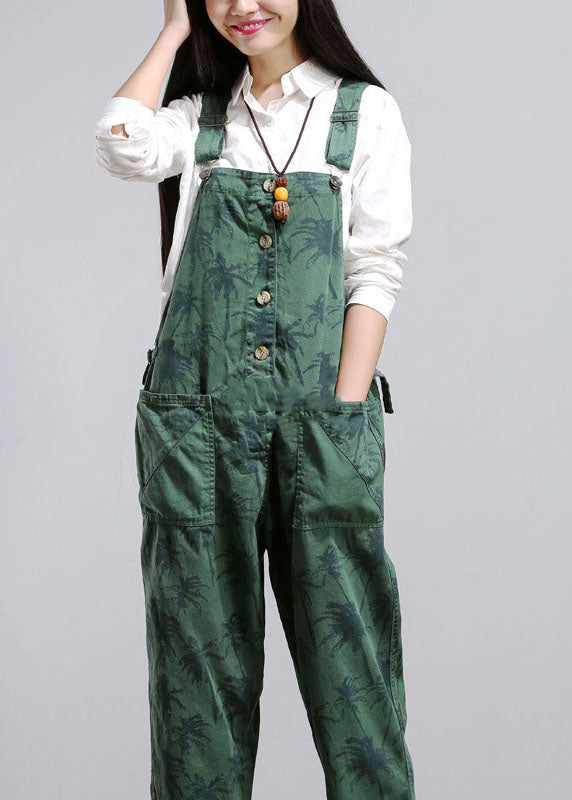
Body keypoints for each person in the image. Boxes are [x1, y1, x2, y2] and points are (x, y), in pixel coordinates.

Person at [94, 1, 415, 798]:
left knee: (355, 685)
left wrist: (341, 413)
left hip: (321, 429)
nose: (242, 5)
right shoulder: (200, 118)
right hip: (194, 433)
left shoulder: (362, 113)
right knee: (195, 685)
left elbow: (375, 269)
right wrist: (173, 32)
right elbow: (120, 142)